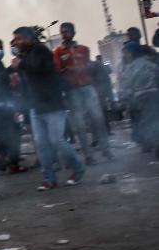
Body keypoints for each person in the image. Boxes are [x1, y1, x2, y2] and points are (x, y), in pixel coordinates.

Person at [11, 27, 86, 191]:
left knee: (56, 140)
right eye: (15, 40)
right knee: (41, 145)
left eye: (18, 39)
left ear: (29, 38)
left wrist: (21, 65)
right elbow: (26, 84)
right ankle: (49, 179)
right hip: (36, 106)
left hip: (52, 103)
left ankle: (78, 168)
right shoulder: (24, 57)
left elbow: (39, 69)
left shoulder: (40, 50)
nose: (16, 43)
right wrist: (22, 106)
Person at [53, 22, 113, 164]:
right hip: (72, 90)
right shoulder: (58, 52)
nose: (64, 34)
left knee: (98, 118)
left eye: (67, 31)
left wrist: (87, 69)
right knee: (79, 124)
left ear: (73, 33)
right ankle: (88, 156)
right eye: (62, 32)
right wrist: (70, 70)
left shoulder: (83, 49)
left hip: (87, 87)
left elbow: (89, 65)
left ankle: (106, 150)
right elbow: (57, 70)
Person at [0, 38, 26, 173]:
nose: (0, 50)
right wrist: (10, 70)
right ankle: (12, 163)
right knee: (13, 134)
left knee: (3, 135)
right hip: (2, 106)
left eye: (1, 47)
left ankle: (1, 155)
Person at [118, 41, 159, 156]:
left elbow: (125, 85)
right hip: (155, 95)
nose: (125, 55)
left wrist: (124, 100)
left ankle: (155, 145)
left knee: (146, 123)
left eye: (126, 52)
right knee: (154, 120)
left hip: (140, 98)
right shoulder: (151, 64)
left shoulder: (130, 68)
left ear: (131, 53)